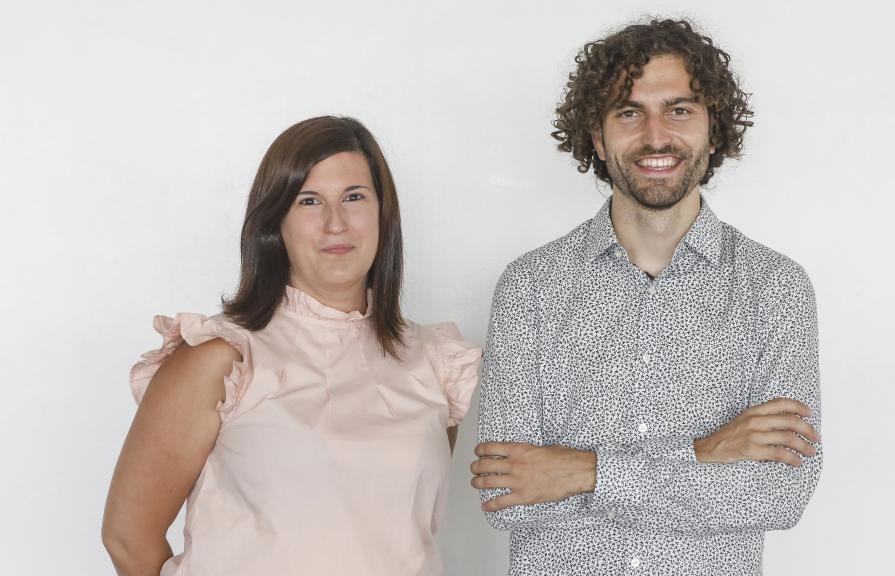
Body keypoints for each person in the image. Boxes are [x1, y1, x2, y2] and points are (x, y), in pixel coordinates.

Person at [471, 18, 822, 575]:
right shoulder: (531, 288)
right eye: (629, 112)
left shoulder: (773, 289)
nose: (656, 136)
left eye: (679, 109)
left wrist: (582, 472)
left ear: (714, 129)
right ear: (597, 136)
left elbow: (777, 496)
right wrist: (705, 454)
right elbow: (507, 499)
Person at [102, 116, 481, 576]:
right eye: (309, 200)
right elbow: (128, 537)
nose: (335, 223)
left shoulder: (434, 362)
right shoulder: (222, 358)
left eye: (354, 197)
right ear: (274, 221)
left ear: (383, 214)